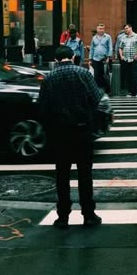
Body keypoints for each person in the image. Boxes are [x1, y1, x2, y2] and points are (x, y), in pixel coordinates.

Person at [37, 45, 103, 228]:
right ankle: (89, 214)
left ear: (56, 60)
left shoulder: (49, 78)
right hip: (82, 131)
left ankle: (63, 216)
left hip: (60, 133)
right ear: (73, 56)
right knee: (85, 174)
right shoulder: (84, 74)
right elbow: (96, 99)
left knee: (62, 175)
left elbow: (43, 106)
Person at [118, 23, 137, 98]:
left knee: (135, 75)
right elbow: (120, 47)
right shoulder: (123, 37)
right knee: (128, 76)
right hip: (126, 59)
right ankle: (130, 91)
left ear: (130, 28)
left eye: (126, 28)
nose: (125, 30)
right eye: (125, 29)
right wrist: (121, 55)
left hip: (134, 59)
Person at [89, 23, 113, 92]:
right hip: (95, 58)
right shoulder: (94, 38)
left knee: (104, 75)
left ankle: (107, 90)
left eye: (103, 29)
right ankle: (98, 89)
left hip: (104, 59)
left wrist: (109, 57)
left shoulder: (108, 37)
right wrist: (90, 59)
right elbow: (92, 49)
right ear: (97, 29)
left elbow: (110, 47)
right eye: (100, 29)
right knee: (96, 75)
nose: (102, 30)